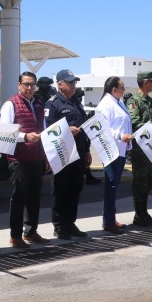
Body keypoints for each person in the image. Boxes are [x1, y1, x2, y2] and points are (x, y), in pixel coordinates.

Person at [0, 72, 51, 248]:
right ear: (19, 85)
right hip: (19, 158)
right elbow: (4, 132)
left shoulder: (38, 103)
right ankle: (15, 236)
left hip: (36, 156)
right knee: (19, 198)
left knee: (34, 197)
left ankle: (30, 232)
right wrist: (25, 137)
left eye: (32, 84)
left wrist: (45, 155)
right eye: (26, 84)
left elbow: (43, 130)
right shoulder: (10, 104)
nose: (29, 88)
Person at [44, 69, 91, 240]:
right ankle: (59, 226)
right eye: (70, 82)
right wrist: (66, 130)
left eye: (74, 82)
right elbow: (47, 130)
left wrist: (86, 150)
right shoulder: (52, 104)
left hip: (78, 152)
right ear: (60, 84)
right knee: (60, 190)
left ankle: (70, 223)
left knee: (75, 189)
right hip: (61, 153)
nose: (73, 85)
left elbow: (84, 127)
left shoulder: (77, 102)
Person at [127, 71, 152, 226]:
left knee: (149, 181)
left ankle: (144, 213)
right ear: (145, 83)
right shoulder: (133, 102)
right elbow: (134, 124)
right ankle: (139, 214)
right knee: (140, 182)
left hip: (151, 147)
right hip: (140, 149)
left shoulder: (151, 102)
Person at [95, 76, 132, 232]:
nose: (124, 90)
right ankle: (108, 221)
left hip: (121, 149)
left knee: (114, 185)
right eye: (122, 87)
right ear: (114, 89)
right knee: (110, 185)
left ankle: (111, 218)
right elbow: (102, 128)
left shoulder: (119, 102)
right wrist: (120, 136)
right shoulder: (105, 105)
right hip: (111, 150)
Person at [74, 85, 101, 185]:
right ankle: (88, 176)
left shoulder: (79, 105)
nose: (81, 98)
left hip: (83, 137)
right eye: (80, 96)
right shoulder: (74, 105)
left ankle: (88, 176)